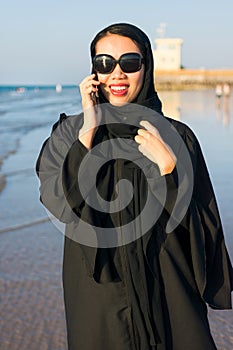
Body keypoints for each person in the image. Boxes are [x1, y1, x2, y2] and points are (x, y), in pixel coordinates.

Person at [36, 23, 233, 350]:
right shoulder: (70, 134)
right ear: (93, 72)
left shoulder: (177, 137)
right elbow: (57, 200)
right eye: (104, 63)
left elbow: (205, 229)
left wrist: (169, 171)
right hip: (102, 298)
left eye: (129, 62)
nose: (117, 73)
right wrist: (88, 131)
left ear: (146, 66)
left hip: (170, 291)